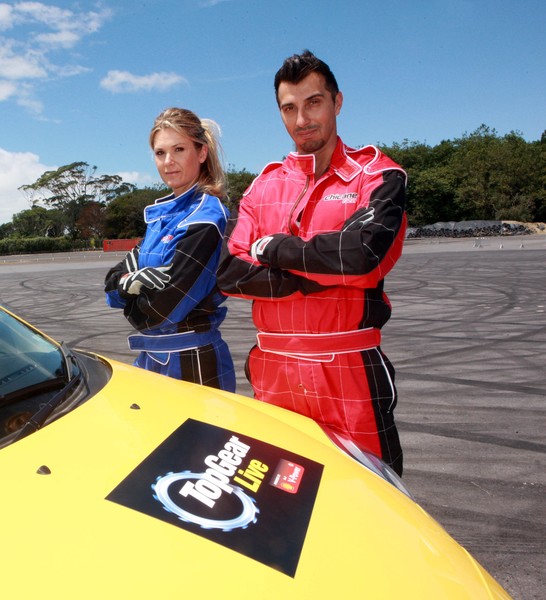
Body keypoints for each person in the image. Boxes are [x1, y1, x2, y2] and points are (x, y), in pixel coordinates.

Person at [217, 51, 407, 475]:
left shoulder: (377, 175)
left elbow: (362, 256)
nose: (302, 119)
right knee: (276, 502)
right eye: (289, 108)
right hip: (273, 371)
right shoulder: (263, 186)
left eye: (314, 102)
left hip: (349, 367)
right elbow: (228, 274)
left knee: (374, 496)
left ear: (337, 102)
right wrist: (322, 274)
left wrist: (277, 251)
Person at [105, 107, 235, 392]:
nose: (168, 162)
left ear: (201, 153)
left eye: (179, 149)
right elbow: (110, 287)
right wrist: (129, 284)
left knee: (201, 438)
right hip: (152, 359)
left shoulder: (207, 216)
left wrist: (129, 295)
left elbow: (166, 308)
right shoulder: (161, 217)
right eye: (160, 152)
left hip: (194, 363)